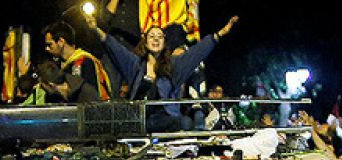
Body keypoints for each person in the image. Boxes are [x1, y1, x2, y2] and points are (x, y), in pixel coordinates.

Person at [83, 11, 239, 129]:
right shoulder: (135, 65)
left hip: (168, 123)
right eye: (152, 36)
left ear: (165, 43)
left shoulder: (175, 66)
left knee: (182, 121)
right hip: (140, 123)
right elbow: (113, 46)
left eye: (160, 36)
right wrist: (95, 28)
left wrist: (219, 35)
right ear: (145, 42)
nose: (156, 39)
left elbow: (197, 52)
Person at [41, 20, 112, 103]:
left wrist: (56, 89)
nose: (47, 49)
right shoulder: (63, 64)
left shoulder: (82, 61)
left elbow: (77, 90)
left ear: (61, 42)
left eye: (50, 45)